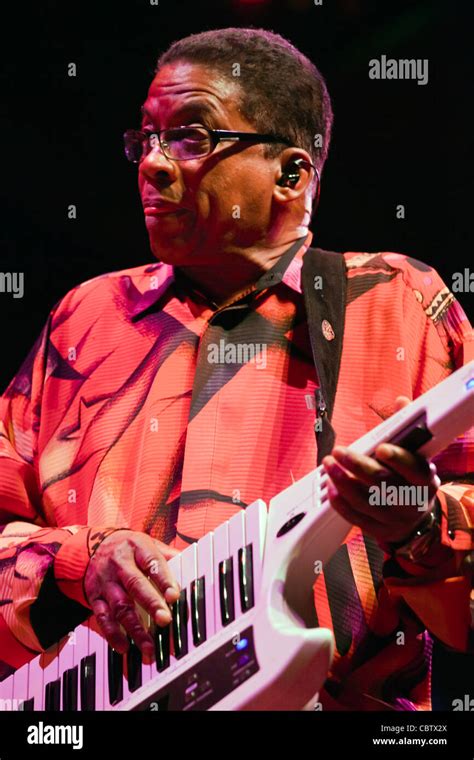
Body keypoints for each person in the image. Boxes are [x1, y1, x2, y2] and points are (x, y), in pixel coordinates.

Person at [0, 27, 472, 711]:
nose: (152, 165)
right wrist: (81, 562)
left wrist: (422, 530)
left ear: (291, 174)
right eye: (145, 139)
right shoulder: (88, 316)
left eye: (191, 138)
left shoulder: (399, 304)